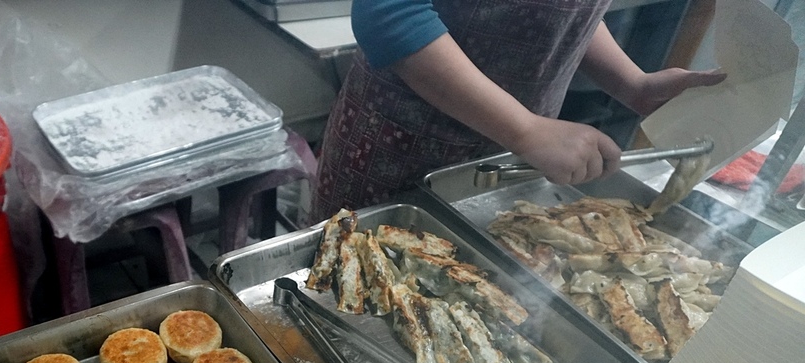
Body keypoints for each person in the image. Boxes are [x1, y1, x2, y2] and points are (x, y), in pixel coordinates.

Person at [309, 0, 727, 222]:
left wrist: (631, 83)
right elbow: (388, 12)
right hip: (401, 148)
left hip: (511, 157)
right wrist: (526, 130)